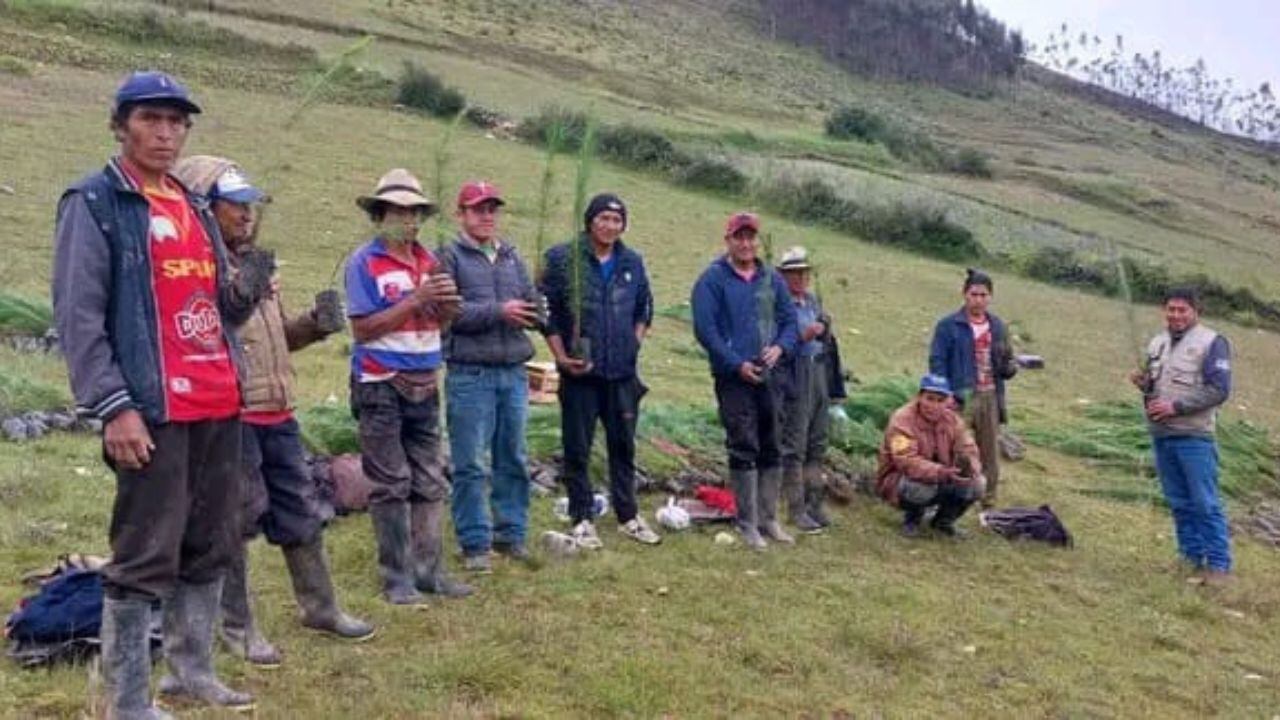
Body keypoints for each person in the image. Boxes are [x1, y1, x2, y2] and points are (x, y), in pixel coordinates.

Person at [52, 71, 266, 718]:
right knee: (145, 551)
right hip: (153, 408)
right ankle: (126, 702)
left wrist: (250, 281)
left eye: (177, 122)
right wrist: (113, 406)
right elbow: (78, 315)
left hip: (216, 402)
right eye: (151, 119)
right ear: (122, 125)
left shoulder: (192, 205)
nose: (166, 133)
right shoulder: (95, 202)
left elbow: (213, 309)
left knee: (211, 542)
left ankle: (190, 673)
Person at [173, 156, 375, 665]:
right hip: (231, 416)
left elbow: (274, 340)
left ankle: (320, 607)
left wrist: (314, 323)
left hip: (278, 411)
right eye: (234, 206)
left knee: (300, 510)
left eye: (249, 206)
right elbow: (204, 333)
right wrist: (241, 292)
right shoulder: (196, 265)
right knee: (233, 521)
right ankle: (238, 629)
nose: (246, 215)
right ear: (203, 206)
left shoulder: (257, 263)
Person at [344, 169, 471, 605]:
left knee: (430, 478)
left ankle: (429, 571)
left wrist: (449, 307)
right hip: (380, 383)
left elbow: (438, 321)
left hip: (424, 378)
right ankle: (396, 577)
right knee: (390, 481)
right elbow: (362, 329)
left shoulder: (430, 261)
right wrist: (414, 300)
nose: (410, 221)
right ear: (380, 216)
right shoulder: (364, 263)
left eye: (415, 212)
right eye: (400, 211)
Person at [539, 193, 659, 549]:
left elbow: (645, 307)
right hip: (581, 375)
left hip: (621, 375)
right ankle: (582, 518)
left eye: (617, 220)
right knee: (577, 447)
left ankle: (628, 516)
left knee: (623, 446)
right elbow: (544, 310)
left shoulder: (631, 262)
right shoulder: (564, 259)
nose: (610, 226)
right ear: (590, 220)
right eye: (603, 218)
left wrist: (633, 344)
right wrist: (560, 356)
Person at [437, 181, 539, 572]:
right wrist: (499, 312)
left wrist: (536, 312)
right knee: (470, 462)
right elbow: (448, 314)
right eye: (478, 209)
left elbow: (529, 299)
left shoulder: (511, 256)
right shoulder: (448, 257)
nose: (487, 216)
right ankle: (475, 542)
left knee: (512, 456)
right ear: (460, 214)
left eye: (492, 209)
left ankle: (511, 533)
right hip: (470, 372)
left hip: (513, 371)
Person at [692, 212, 799, 550]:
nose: (746, 243)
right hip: (734, 378)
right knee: (743, 442)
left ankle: (769, 519)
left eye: (751, 237)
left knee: (771, 442)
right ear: (728, 240)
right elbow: (706, 330)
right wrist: (735, 364)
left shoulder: (771, 279)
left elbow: (789, 321)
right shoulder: (712, 280)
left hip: (771, 374)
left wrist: (781, 348)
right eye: (739, 237)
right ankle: (747, 521)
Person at [1129, 287, 1233, 585]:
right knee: (1178, 501)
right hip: (1162, 434)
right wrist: (1144, 384)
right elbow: (1154, 388)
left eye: (1182, 310)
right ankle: (1190, 557)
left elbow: (1219, 389)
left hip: (1194, 437)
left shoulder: (1213, 343)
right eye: (1170, 309)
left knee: (1204, 502)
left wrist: (1176, 406)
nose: (1175, 315)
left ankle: (1218, 566)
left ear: (1195, 312)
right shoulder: (1157, 343)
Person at [928, 268, 1016, 508]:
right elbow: (937, 361)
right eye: (974, 294)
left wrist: (1010, 366)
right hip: (960, 395)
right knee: (955, 448)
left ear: (990, 297)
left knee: (989, 451)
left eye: (984, 295)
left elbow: (1007, 364)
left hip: (990, 395)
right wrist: (943, 394)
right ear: (964, 294)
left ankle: (988, 499)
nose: (978, 299)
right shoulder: (948, 325)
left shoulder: (998, 326)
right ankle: (948, 494)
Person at [775, 246, 839, 533]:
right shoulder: (779, 305)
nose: (800, 278)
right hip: (795, 371)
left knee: (817, 440)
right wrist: (804, 335)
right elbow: (775, 343)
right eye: (794, 273)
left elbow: (824, 337)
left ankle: (815, 504)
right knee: (795, 444)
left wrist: (825, 327)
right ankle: (795, 508)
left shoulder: (812, 301)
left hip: (818, 370)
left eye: (804, 273)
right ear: (783, 276)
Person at [875, 374, 985, 537]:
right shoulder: (901, 420)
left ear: (948, 401)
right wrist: (941, 472)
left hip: (945, 475)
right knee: (920, 488)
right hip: (900, 479)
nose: (934, 405)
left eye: (940, 400)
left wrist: (969, 468)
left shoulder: (953, 420)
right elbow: (906, 461)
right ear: (919, 397)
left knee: (978, 484)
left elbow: (969, 448)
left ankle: (943, 522)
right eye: (929, 399)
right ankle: (912, 519)